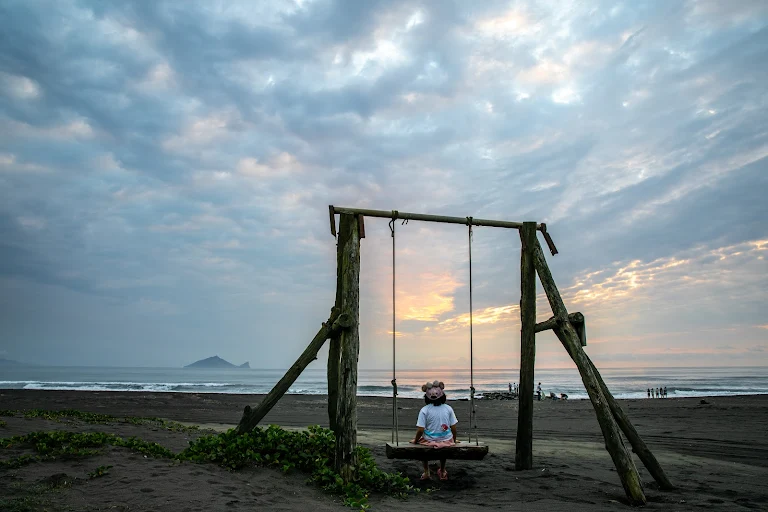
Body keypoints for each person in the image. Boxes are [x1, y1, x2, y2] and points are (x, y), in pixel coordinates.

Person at [411, 380, 459, 481]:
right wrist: (453, 440)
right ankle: (442, 470)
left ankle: (426, 471)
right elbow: (453, 428)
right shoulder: (448, 408)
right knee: (444, 445)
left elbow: (420, 430)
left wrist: (415, 440)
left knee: (422, 445)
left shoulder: (424, 410)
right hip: (446, 440)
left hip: (429, 440)